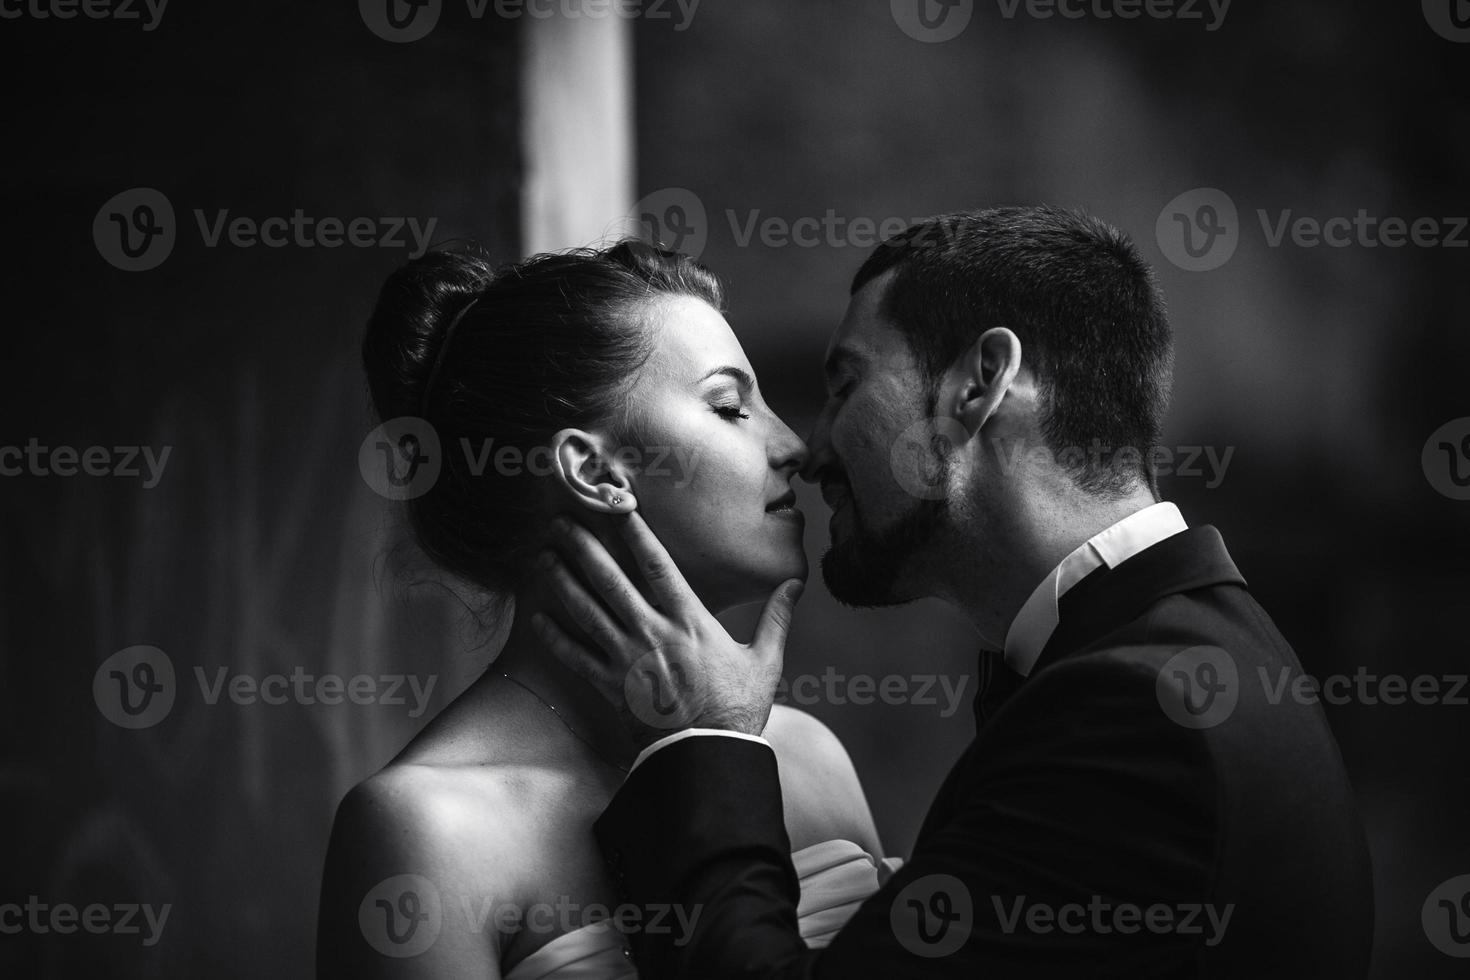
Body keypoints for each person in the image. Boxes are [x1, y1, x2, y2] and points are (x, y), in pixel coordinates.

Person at [535, 206, 1376, 977]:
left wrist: (703, 742)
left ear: (980, 384)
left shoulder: (1146, 717)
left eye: (846, 386)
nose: (815, 447)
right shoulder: (1191, 659)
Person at [317, 241, 894, 979]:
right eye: (729, 407)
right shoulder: (427, 829)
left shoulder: (804, 757)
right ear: (593, 471)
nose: (794, 447)